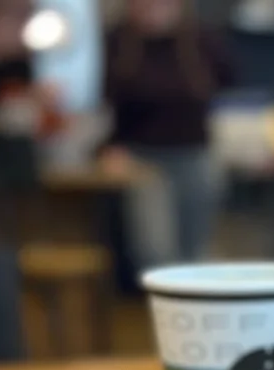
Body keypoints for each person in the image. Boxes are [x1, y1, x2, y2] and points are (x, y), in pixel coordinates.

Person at [101, 0, 235, 269]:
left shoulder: (202, 41)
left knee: (195, 251)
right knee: (154, 251)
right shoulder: (115, 43)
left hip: (194, 154)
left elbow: (231, 90)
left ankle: (193, 310)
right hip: (140, 158)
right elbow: (101, 105)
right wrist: (109, 147)